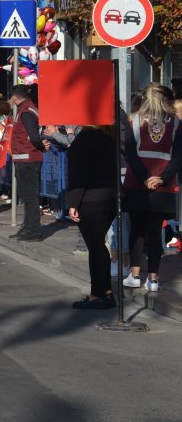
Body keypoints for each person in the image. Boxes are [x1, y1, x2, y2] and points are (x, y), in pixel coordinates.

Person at [122, 84, 182, 293]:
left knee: (136, 231)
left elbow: (129, 153)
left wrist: (145, 177)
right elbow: (177, 157)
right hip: (163, 186)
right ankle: (154, 279)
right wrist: (162, 179)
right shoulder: (175, 123)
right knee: (155, 232)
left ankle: (135, 275)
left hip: (136, 183)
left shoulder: (134, 120)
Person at [66, 125, 119, 309]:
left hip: (91, 199)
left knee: (96, 246)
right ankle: (103, 292)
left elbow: (80, 172)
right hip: (110, 197)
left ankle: (100, 294)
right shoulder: (109, 135)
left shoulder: (87, 136)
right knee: (97, 245)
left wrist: (73, 202)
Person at [8, 84, 46, 241]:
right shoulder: (26, 110)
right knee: (27, 196)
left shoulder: (26, 112)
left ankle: (34, 231)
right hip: (24, 158)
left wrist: (40, 146)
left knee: (30, 197)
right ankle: (27, 227)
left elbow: (34, 136)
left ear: (15, 97)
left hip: (27, 159)